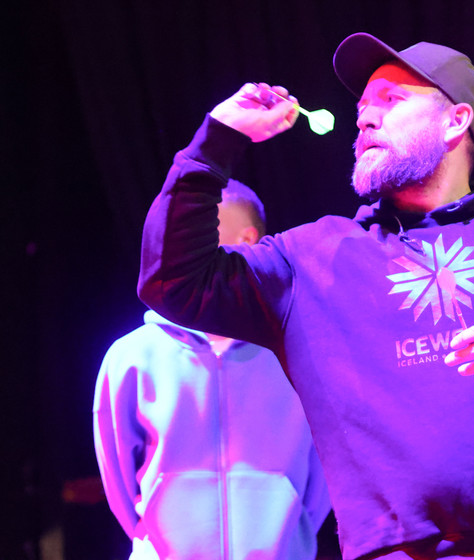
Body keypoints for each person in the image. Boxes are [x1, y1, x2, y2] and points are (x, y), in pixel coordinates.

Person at [137, 32, 474, 560]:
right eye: (363, 108)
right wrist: (216, 141)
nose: (366, 119)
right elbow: (172, 280)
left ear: (456, 120)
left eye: (391, 100)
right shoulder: (310, 260)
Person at [93, 180, 331, 560]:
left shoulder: (300, 355)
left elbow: (323, 474)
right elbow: (117, 477)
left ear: (247, 239)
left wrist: (288, 538)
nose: (178, 251)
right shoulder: (133, 355)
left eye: (193, 235)